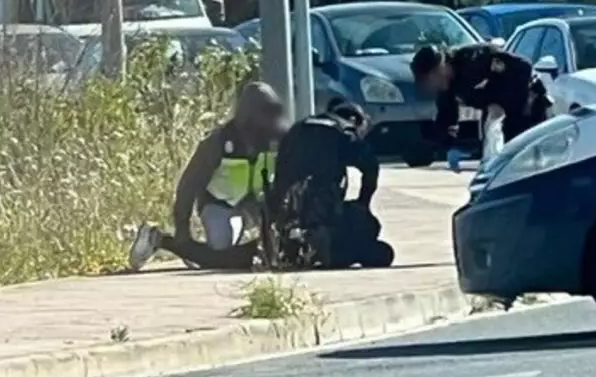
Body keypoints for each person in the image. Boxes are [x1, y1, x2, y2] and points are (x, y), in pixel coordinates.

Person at [127, 81, 288, 272]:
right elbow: (189, 185)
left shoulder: (280, 138)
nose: (270, 120)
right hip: (219, 204)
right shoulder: (219, 142)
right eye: (265, 113)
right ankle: (160, 238)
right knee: (221, 253)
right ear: (248, 116)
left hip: (257, 205)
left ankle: (198, 253)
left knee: (273, 250)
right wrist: (182, 230)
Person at [268, 101, 393, 269]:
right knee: (370, 227)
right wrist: (363, 203)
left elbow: (280, 176)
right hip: (322, 213)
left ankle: (293, 247)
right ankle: (326, 250)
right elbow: (371, 167)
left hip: (288, 214)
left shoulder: (297, 128)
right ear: (355, 119)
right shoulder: (346, 130)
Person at [410, 43, 553, 166]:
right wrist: (453, 146)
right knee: (504, 165)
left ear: (439, 68)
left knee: (532, 164)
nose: (428, 86)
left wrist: (499, 102)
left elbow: (524, 68)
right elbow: (445, 121)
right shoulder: (447, 88)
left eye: (427, 80)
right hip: (503, 121)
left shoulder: (475, 61)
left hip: (529, 105)